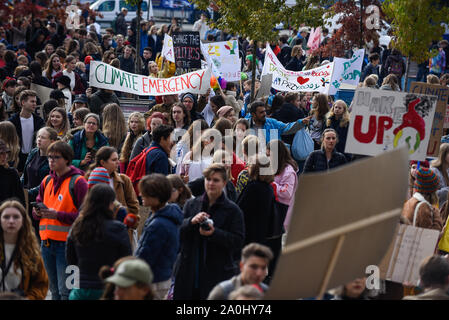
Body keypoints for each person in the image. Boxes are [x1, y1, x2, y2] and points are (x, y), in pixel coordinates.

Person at [173, 164, 245, 300]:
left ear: (224, 183)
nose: (211, 183)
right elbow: (177, 232)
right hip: (189, 271)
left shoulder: (233, 211)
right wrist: (191, 222)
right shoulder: (192, 205)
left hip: (217, 273)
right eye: (208, 179)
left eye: (216, 180)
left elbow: (238, 241)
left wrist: (214, 233)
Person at [33, 141, 88, 300]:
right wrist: (37, 212)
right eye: (49, 157)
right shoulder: (46, 181)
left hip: (69, 247)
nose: (51, 160)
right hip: (47, 244)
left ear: (67, 159)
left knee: (69, 291)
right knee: (54, 291)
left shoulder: (78, 182)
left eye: (56, 157)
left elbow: (86, 215)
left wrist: (58, 215)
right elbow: (38, 205)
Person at [66, 183, 132, 300]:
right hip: (108, 289)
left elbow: (70, 259)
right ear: (110, 204)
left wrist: (73, 285)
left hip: (81, 290)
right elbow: (126, 260)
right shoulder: (118, 228)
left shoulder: (77, 226)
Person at [135, 174, 183, 299]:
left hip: (153, 279)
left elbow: (146, 255)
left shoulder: (158, 224)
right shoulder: (168, 216)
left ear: (156, 196)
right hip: (163, 275)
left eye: (145, 192)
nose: (140, 195)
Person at [0, 200, 48, 299]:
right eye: (6, 217)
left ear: (23, 221)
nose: (11, 221)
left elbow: (41, 285)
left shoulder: (31, 252)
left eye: (16, 217)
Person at [21, 127, 58, 240]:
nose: (39, 140)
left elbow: (49, 181)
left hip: (42, 200)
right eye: (38, 137)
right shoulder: (33, 152)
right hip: (26, 198)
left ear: (52, 141)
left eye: (43, 137)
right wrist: (18, 187)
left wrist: (28, 193)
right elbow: (24, 174)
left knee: (39, 235)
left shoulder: (54, 158)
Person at [208, 243, 272, 300]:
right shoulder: (223, 292)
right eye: (253, 267)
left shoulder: (267, 293)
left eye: (263, 268)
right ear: (241, 266)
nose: (259, 273)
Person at [8, 89, 45, 173]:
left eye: (35, 102)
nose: (35, 104)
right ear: (23, 103)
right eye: (32, 101)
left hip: (34, 159)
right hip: (17, 159)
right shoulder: (12, 121)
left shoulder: (39, 121)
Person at [267, 140, 298, 232]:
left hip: (284, 215)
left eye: (269, 155)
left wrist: (270, 182)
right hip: (275, 212)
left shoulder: (288, 172)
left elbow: (287, 192)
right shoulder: (273, 167)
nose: (267, 158)